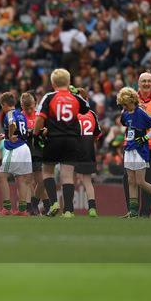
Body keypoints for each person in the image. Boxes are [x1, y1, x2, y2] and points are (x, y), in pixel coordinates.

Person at [34, 68, 89, 218]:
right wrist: (79, 94)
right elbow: (86, 109)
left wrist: (36, 134)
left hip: (53, 139)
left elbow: (39, 119)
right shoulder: (75, 98)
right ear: (69, 81)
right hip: (72, 140)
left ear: (52, 83)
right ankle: (69, 210)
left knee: (47, 171)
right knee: (67, 175)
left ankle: (53, 203)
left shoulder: (49, 97)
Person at [117, 87, 151, 219]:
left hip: (140, 150)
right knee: (131, 180)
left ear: (130, 101)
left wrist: (146, 138)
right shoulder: (126, 113)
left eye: (125, 103)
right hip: (129, 148)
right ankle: (133, 212)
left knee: (140, 181)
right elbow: (125, 123)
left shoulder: (140, 112)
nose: (124, 106)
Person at [0, 92, 32, 217]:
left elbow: (12, 125)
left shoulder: (9, 114)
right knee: (20, 179)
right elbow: (22, 132)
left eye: (1, 105)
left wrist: (10, 136)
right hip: (25, 148)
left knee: (1, 177)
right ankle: (22, 210)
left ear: (5, 104)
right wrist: (6, 136)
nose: (1, 108)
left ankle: (7, 208)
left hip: (15, 149)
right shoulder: (21, 115)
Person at [20, 92, 49, 216]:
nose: (29, 110)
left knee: (41, 181)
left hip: (38, 150)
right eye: (26, 108)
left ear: (35, 104)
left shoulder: (39, 116)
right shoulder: (20, 117)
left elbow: (47, 130)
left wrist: (44, 132)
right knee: (28, 180)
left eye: (31, 107)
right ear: (22, 106)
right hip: (24, 151)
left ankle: (36, 204)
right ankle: (33, 207)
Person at [75, 88, 102, 218]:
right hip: (88, 149)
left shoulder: (72, 113)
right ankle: (92, 209)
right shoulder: (92, 113)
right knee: (87, 180)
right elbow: (98, 134)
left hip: (74, 148)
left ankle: (67, 209)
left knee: (67, 177)